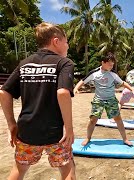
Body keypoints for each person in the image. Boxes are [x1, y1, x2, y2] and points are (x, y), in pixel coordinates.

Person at [0, 22, 76, 179]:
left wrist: (11, 124)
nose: (67, 46)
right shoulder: (64, 63)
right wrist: (69, 129)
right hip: (56, 134)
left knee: (20, 169)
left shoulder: (25, 63)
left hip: (26, 131)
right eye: (66, 41)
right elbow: (63, 93)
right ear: (56, 41)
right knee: (67, 168)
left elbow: (4, 92)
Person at [73, 53, 134, 146]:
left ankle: (125, 139)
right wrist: (76, 88)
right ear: (103, 62)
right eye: (110, 64)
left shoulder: (113, 74)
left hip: (111, 99)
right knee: (93, 119)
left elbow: (122, 83)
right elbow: (83, 81)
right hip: (98, 99)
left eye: (113, 64)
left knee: (118, 119)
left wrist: (131, 89)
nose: (112, 66)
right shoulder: (94, 73)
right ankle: (88, 138)